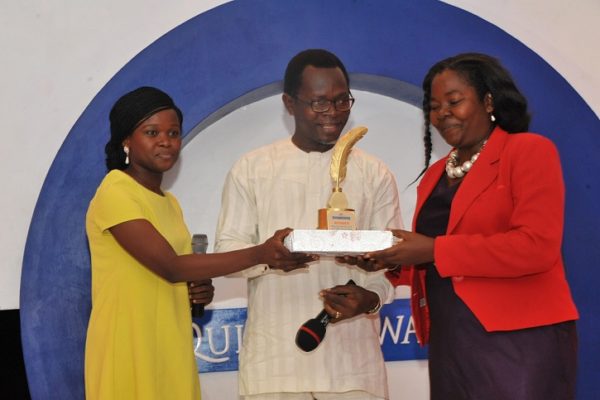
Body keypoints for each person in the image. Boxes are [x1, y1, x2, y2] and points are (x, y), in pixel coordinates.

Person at [360, 53, 579, 399]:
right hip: (452, 339)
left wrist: (433, 249)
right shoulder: (435, 175)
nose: (442, 113)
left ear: (488, 100)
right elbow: (436, 259)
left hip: (520, 339)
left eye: (454, 101)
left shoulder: (528, 151)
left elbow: (536, 247)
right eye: (434, 106)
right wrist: (389, 261)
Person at [85, 86, 314, 400]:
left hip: (169, 341)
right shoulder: (115, 191)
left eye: (173, 132)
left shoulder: (170, 202)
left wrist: (197, 293)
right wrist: (261, 253)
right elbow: (170, 266)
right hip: (128, 342)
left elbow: (178, 271)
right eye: (152, 132)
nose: (166, 141)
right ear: (126, 140)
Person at [214, 49, 403, 400]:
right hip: (274, 371)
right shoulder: (252, 168)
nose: (333, 114)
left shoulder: (375, 173)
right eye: (319, 103)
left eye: (341, 101)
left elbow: (391, 262)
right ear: (289, 103)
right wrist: (267, 255)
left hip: (354, 370)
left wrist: (370, 298)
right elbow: (227, 252)